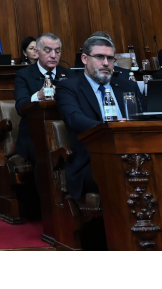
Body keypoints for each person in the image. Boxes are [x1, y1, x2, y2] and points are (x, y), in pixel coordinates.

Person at [56, 33, 144, 201]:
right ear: (84, 58)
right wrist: (110, 129)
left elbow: (144, 118)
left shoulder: (128, 86)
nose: (106, 63)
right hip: (92, 161)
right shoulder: (69, 87)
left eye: (110, 58)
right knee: (125, 171)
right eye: (99, 57)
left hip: (135, 154)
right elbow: (74, 118)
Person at [14, 33, 72, 163]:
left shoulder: (69, 74)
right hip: (34, 135)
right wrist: (38, 96)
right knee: (44, 154)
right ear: (36, 52)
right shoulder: (23, 75)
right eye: (48, 50)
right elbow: (20, 107)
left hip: (66, 132)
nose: (53, 55)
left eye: (57, 51)